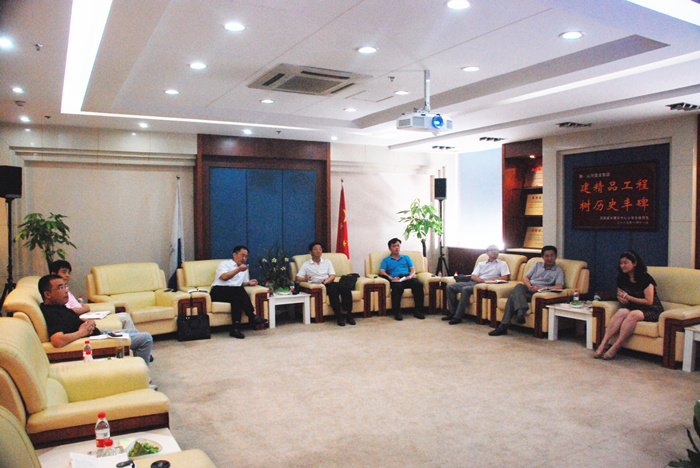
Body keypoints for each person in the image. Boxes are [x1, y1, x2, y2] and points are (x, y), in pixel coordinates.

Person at [39, 274, 154, 365]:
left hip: (97, 334)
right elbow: (57, 341)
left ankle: (136, 367)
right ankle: (144, 377)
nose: (66, 291)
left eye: (65, 287)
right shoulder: (51, 313)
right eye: (60, 288)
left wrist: (88, 323)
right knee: (146, 338)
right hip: (94, 341)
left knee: (134, 331)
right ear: (48, 294)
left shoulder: (58, 306)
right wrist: (82, 332)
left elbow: (70, 321)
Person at [593, 250, 664, 360]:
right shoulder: (622, 277)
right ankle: (603, 344)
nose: (622, 265)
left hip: (651, 309)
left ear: (634, 263)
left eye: (626, 263)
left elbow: (649, 301)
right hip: (633, 307)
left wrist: (629, 298)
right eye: (621, 263)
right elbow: (620, 294)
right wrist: (621, 299)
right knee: (621, 312)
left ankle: (616, 346)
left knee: (633, 314)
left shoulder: (646, 278)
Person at [489, 245, 564, 336]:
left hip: (540, 293)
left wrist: (541, 289)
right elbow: (526, 278)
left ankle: (504, 326)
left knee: (512, 297)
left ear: (555, 256)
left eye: (552, 256)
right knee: (519, 286)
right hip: (528, 289)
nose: (549, 258)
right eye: (547, 256)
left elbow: (559, 286)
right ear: (543, 257)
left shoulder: (558, 271)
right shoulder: (537, 265)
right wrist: (529, 286)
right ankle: (520, 311)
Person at [48, 259, 137, 330]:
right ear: (53, 274)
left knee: (125, 316)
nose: (68, 276)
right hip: (81, 319)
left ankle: (132, 342)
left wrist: (82, 306)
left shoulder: (65, 290)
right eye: (64, 272)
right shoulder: (57, 295)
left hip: (86, 315)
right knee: (125, 317)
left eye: (68, 273)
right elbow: (67, 311)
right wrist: (85, 308)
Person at [210, 245, 268, 339]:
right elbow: (224, 277)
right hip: (219, 291)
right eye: (242, 255)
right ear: (234, 254)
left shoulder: (244, 268)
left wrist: (249, 283)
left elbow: (241, 283)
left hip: (234, 293)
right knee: (237, 290)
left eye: (246, 256)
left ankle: (235, 329)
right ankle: (252, 316)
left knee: (237, 297)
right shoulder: (225, 264)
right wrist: (238, 270)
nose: (244, 258)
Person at [444, 245, 510, 325]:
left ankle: (458, 317)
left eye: (496, 250)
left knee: (466, 289)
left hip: (486, 284)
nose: (494, 252)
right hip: (475, 282)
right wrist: (480, 280)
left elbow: (505, 277)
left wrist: (488, 281)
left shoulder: (502, 264)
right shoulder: (481, 264)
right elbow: (473, 276)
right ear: (487, 253)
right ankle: (452, 312)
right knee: (450, 287)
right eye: (492, 250)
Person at [296, 241, 355, 327]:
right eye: (315, 249)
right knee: (333, 292)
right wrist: (305, 279)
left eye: (320, 249)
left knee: (346, 288)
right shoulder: (306, 264)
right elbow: (298, 278)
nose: (318, 251)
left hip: (328, 282)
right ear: (311, 252)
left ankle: (349, 315)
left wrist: (328, 281)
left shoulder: (327, 262)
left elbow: (332, 275)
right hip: (318, 285)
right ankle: (339, 317)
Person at [379, 238, 425, 321]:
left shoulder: (406, 257)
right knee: (397, 287)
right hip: (396, 279)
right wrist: (390, 278)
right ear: (390, 248)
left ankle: (418, 311)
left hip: (407, 277)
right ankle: (397, 312)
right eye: (394, 246)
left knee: (418, 284)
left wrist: (410, 276)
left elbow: (412, 269)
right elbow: (382, 271)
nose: (397, 248)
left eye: (398, 246)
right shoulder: (386, 260)